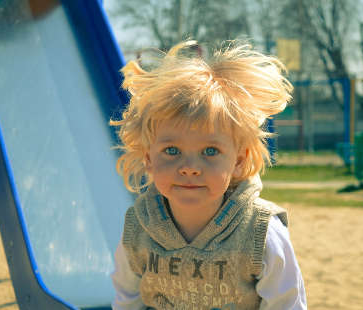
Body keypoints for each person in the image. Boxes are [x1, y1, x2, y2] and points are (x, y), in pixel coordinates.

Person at [110, 40, 307, 310]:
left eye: (210, 151)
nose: (190, 166)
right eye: (171, 150)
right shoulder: (139, 229)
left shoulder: (260, 233)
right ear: (149, 159)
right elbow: (127, 300)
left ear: (238, 161)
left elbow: (286, 304)